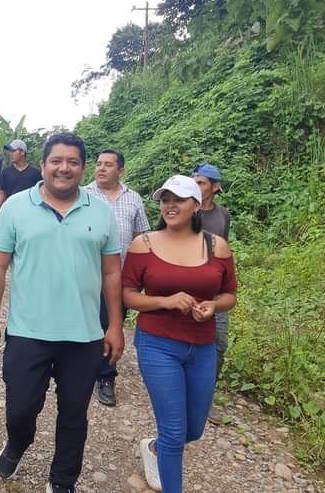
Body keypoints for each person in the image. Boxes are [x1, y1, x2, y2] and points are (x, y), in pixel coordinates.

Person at [0, 133, 124, 493]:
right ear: (42, 165)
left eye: (72, 162)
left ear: (82, 168)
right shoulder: (16, 207)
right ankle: (18, 442)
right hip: (28, 332)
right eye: (56, 161)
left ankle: (62, 481)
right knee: (20, 409)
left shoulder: (100, 211)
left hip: (85, 335)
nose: (64, 168)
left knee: (74, 415)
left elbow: (111, 273)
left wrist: (115, 325)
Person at [122, 175, 237, 492]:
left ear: (196, 205)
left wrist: (213, 306)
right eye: (165, 200)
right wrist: (165, 301)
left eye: (178, 200)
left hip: (202, 347)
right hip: (157, 345)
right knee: (174, 431)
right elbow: (128, 295)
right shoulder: (144, 244)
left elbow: (230, 295)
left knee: (194, 429)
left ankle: (154, 448)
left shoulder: (216, 246)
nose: (170, 206)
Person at [84, 149, 150, 407]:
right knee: (87, 322)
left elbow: (141, 236)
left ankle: (106, 376)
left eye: (108, 165)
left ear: (121, 170)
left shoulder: (133, 199)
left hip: (120, 276)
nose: (101, 168)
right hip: (85, 273)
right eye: (99, 164)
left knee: (113, 323)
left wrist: (142, 274)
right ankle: (79, 368)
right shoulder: (83, 195)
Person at [192, 162, 231, 424]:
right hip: (187, 285)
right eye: (194, 182)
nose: (196, 187)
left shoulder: (223, 215)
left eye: (202, 183)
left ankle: (205, 397)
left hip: (216, 289)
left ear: (215, 187)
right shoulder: (186, 212)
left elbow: (223, 250)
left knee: (218, 343)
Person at [0, 139, 42, 211]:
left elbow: (41, 192)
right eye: (10, 151)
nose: (10, 154)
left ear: (22, 152)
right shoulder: (6, 172)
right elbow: (1, 192)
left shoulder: (36, 173)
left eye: (13, 151)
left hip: (29, 210)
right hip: (10, 210)